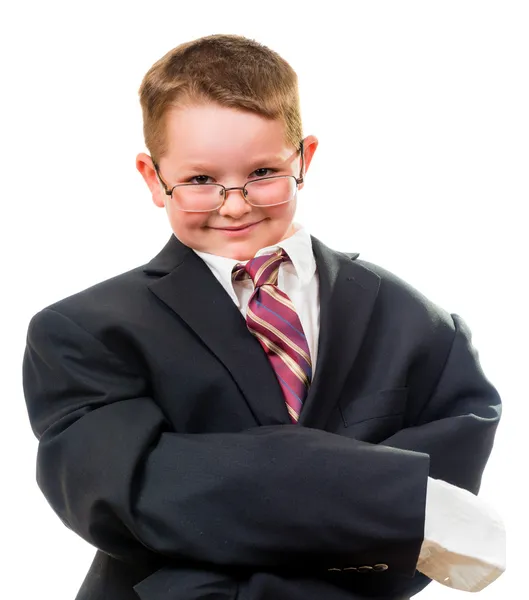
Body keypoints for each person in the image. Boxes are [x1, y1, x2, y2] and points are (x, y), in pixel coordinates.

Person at [22, 33, 505, 600]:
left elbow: (443, 505)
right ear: (153, 179)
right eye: (200, 180)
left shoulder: (421, 326)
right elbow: (129, 495)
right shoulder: (81, 333)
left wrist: (223, 488)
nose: (235, 203)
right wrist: (395, 493)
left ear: (304, 160)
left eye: (263, 173)